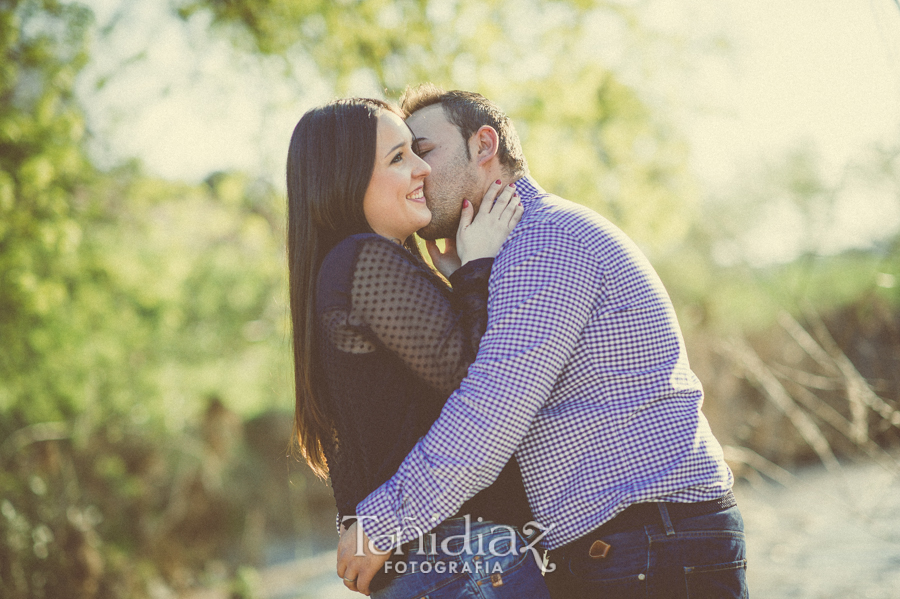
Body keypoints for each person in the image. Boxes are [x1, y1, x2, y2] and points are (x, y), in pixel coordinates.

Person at [337, 86, 749, 599]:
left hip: (650, 543)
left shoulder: (545, 242)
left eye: (425, 150)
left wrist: (384, 523)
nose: (417, 172)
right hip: (627, 546)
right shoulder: (510, 256)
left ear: (484, 146)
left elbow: (491, 411)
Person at [286, 98, 551, 598]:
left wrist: (456, 281)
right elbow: (481, 380)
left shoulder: (350, 271)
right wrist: (479, 268)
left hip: (439, 563)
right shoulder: (361, 260)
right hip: (465, 559)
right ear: (342, 181)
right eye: (398, 158)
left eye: (416, 151)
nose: (422, 168)